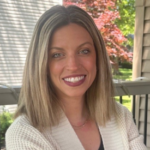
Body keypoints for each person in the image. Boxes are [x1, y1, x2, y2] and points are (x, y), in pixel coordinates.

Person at [6, 5, 147, 150]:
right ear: (41, 64)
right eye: (57, 54)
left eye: (84, 51)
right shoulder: (25, 134)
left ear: (98, 58)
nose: (73, 66)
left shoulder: (120, 116)